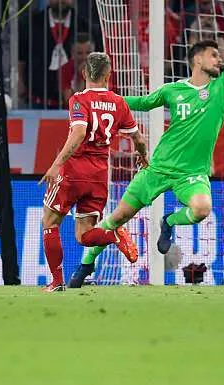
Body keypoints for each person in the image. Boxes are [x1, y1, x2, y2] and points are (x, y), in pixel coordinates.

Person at [70, 0, 224, 287]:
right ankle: (84, 267)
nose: (220, 60)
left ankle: (168, 222)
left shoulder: (222, 87)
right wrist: (104, 96)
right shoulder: (174, 90)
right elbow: (143, 102)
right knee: (118, 217)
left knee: (202, 208)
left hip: (191, 173)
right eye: (214, 55)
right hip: (158, 168)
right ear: (197, 60)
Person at [39, 52, 146, 292]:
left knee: (49, 222)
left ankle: (57, 282)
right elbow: (138, 138)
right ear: (109, 75)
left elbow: (78, 133)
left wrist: (57, 163)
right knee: (84, 234)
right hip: (99, 176)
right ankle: (114, 236)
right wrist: (143, 155)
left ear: (84, 73)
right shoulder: (119, 103)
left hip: (73, 171)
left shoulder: (79, 99)